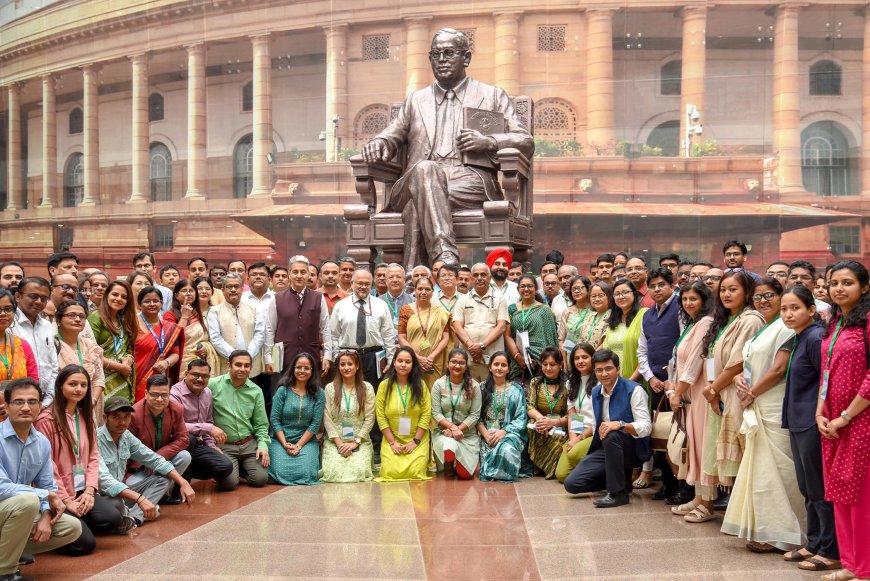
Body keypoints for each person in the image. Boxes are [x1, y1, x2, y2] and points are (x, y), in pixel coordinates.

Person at [362, 28, 533, 267]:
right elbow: (392, 134)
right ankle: (445, 256)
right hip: (417, 177)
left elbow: (525, 140)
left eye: (449, 53)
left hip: (468, 182)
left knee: (415, 206)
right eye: (435, 54)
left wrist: (490, 142)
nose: (441, 60)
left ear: (466, 58)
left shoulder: (492, 95)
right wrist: (379, 143)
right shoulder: (416, 100)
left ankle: (416, 280)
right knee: (426, 172)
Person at [722, 277, 804, 552]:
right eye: (758, 297)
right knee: (760, 468)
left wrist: (752, 392)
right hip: (756, 398)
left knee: (780, 468)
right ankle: (765, 528)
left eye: (769, 295)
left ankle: (787, 532)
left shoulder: (785, 327)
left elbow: (778, 369)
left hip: (774, 402)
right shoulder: (765, 327)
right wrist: (738, 382)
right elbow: (750, 365)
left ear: (781, 297)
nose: (763, 301)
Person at [35, 365, 130, 557]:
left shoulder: (85, 415)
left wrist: (89, 490)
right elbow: (47, 467)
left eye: (83, 385)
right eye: (73, 384)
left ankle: (79, 523)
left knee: (112, 518)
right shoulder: (46, 420)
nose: (79, 389)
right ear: (60, 386)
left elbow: (94, 456)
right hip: (57, 494)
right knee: (84, 546)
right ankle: (66, 527)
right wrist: (66, 500)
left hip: (81, 488)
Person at [779, 286, 840, 572]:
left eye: (795, 308)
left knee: (818, 487)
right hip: (797, 420)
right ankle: (814, 541)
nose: (788, 314)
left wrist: (820, 414)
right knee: (807, 486)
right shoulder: (800, 337)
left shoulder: (815, 337)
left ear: (811, 310)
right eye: (784, 309)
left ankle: (830, 548)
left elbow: (826, 382)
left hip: (811, 422)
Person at [815, 261, 870, 581]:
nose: (838, 288)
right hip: (831, 421)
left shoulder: (866, 322)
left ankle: (864, 566)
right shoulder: (834, 322)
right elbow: (826, 371)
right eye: (833, 283)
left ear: (864, 287)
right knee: (838, 490)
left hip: (859, 420)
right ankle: (850, 563)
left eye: (847, 283)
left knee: (860, 494)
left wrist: (846, 416)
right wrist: (821, 411)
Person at [0, 377, 82, 579]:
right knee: (27, 502)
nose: (26, 407)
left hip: (14, 513)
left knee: (72, 528)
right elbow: (1, 487)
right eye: (19, 402)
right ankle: (5, 572)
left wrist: (46, 514)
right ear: (7, 407)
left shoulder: (42, 443)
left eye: (32, 402)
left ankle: (7, 553)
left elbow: (48, 485)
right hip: (8, 508)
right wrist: (44, 495)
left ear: (39, 407)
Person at [701, 271, 765, 518]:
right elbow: (711, 356)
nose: (726, 294)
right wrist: (711, 387)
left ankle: (743, 514)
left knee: (740, 453)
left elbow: (739, 362)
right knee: (723, 452)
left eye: (733, 289)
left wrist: (714, 388)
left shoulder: (750, 319)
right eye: (723, 289)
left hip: (734, 392)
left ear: (747, 292)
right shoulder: (725, 320)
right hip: (717, 391)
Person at [563, 350, 652, 508]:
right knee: (571, 484)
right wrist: (577, 437)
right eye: (599, 370)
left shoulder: (634, 390)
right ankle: (621, 481)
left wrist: (621, 424)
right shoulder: (589, 389)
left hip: (632, 447)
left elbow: (646, 427)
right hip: (604, 445)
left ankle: (618, 493)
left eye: (608, 368)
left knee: (612, 435)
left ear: (618, 369)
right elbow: (585, 418)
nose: (604, 374)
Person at [96, 395, 195, 527]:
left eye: (126, 417)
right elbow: (105, 481)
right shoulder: (95, 439)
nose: (122, 422)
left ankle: (134, 518)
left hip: (123, 492)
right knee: (116, 506)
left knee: (164, 478)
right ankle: (139, 512)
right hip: (102, 496)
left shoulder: (126, 436)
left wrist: (183, 482)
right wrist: (140, 499)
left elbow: (154, 460)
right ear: (105, 418)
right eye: (116, 417)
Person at [329, 270, 396, 461]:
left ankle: (374, 447)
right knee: (347, 400)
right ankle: (347, 442)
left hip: (372, 358)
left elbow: (389, 335)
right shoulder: (341, 306)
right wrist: (336, 358)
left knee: (371, 402)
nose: (363, 287)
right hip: (347, 357)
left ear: (372, 284)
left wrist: (390, 360)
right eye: (359, 283)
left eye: (367, 283)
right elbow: (333, 335)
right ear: (352, 283)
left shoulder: (381, 305)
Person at [666, 282, 716, 515]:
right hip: (687, 393)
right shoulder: (692, 324)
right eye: (684, 299)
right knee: (693, 446)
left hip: (698, 393)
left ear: (704, 301)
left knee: (701, 445)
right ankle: (698, 497)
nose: (688, 303)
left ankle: (707, 504)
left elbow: (695, 362)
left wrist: (677, 392)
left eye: (693, 299)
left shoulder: (706, 322)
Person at [634, 268, 681, 493]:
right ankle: (667, 484)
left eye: (661, 284)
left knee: (679, 433)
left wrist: (671, 378)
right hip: (655, 382)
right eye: (652, 286)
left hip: (679, 383)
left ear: (672, 285)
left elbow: (684, 346)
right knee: (659, 431)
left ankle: (682, 485)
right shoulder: (647, 315)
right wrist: (651, 377)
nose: (656, 289)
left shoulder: (681, 307)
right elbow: (642, 351)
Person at [263, 257, 332, 392]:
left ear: (308, 274)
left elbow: (326, 329)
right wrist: (268, 358)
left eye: (303, 272)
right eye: (295, 272)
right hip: (283, 358)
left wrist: (328, 356)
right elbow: (270, 330)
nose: (299, 276)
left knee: (313, 397)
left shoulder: (319, 298)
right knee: (281, 396)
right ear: (289, 274)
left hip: (311, 357)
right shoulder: (276, 298)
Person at [209, 350, 270, 490]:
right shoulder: (213, 385)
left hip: (248, 444)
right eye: (238, 365)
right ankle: (233, 470)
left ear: (250, 368)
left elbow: (261, 424)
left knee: (260, 480)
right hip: (225, 445)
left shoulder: (256, 391)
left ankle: (239, 468)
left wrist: (262, 446)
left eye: (246, 365)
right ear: (229, 366)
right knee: (228, 484)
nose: (242, 369)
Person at [207, 273, 269, 410]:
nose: (233, 290)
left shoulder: (254, 309)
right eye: (229, 287)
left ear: (242, 289)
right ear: (223, 290)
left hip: (252, 368)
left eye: (236, 286)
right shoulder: (214, 312)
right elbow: (216, 339)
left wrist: (247, 358)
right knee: (227, 405)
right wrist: (236, 358)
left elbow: (260, 334)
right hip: (227, 368)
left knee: (251, 404)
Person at [128, 375, 193, 504]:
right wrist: (149, 461)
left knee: (185, 456)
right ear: (146, 394)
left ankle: (156, 495)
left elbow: (184, 439)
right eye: (154, 395)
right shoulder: (134, 414)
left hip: (162, 462)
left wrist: (157, 458)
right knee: (129, 488)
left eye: (164, 395)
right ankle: (157, 495)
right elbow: (128, 448)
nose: (159, 399)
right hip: (140, 467)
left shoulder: (176, 409)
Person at [169, 360, 234, 487]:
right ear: (186, 374)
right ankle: (181, 486)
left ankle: (184, 470)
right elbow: (176, 426)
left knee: (225, 466)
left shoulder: (207, 393)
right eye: (195, 375)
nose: (200, 379)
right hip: (176, 445)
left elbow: (208, 420)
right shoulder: (175, 394)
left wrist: (211, 446)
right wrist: (208, 428)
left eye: (204, 376)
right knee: (190, 439)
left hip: (199, 446)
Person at [265, 352, 325, 486]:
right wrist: (285, 443)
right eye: (298, 367)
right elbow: (274, 420)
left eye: (306, 368)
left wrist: (298, 445)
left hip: (306, 441)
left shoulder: (319, 393)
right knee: (279, 472)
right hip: (280, 440)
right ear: (293, 369)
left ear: (312, 371)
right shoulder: (283, 390)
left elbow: (315, 424)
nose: (302, 371)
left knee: (307, 473)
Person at [375, 346, 432, 481]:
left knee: (415, 471)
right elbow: (381, 416)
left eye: (408, 362)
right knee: (389, 471)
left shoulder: (421, 385)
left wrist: (415, 441)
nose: (403, 365)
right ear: (394, 362)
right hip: (392, 438)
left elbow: (426, 414)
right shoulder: (384, 386)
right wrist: (392, 442)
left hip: (417, 438)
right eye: (400, 361)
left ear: (413, 364)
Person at [320, 350, 376, 483]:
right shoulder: (329, 388)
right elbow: (327, 418)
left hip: (360, 441)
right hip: (335, 441)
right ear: (338, 367)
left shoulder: (366, 388)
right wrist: (340, 444)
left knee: (359, 472)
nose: (346, 368)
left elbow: (370, 418)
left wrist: (355, 443)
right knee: (332, 472)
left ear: (357, 366)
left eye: (350, 364)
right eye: (342, 364)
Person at [477, 352, 529, 482]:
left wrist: (503, 431)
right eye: (496, 364)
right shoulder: (481, 388)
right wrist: (486, 435)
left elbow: (521, 417)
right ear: (490, 367)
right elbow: (476, 416)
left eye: (503, 365)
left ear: (509, 369)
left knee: (507, 450)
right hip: (487, 435)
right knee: (488, 454)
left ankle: (503, 473)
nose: (499, 368)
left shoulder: (516, 389)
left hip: (510, 433)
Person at [453, 263, 509, 381]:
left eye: (483, 275)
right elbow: (457, 326)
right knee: (469, 392)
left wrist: (481, 346)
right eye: (476, 275)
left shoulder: (500, 299)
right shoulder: (462, 300)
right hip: (468, 357)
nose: (479, 278)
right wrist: (471, 347)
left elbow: (501, 327)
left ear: (489, 278)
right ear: (471, 279)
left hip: (493, 358)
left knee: (491, 392)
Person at [430, 348, 481, 479]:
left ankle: (459, 463)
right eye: (454, 362)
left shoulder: (474, 386)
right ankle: (448, 463)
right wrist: (451, 428)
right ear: (447, 364)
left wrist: (457, 429)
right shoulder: (439, 384)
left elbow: (475, 415)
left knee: (465, 476)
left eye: (461, 363)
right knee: (449, 448)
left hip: (467, 434)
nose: (457, 366)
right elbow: (435, 412)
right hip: (444, 432)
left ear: (466, 365)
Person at [55, 301, 105, 420]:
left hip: (89, 407)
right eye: (71, 315)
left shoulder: (90, 346)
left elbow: (99, 378)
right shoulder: (52, 346)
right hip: (61, 406)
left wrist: (91, 402)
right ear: (58, 320)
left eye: (81, 316)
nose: (77, 319)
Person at [88, 280, 137, 403]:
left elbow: (128, 349)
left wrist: (128, 360)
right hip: (100, 379)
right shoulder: (96, 317)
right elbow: (89, 352)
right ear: (107, 296)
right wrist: (120, 367)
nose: (119, 299)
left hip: (122, 379)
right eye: (115, 294)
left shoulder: (124, 320)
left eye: (124, 297)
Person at [524, 347, 569, 478]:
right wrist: (540, 419)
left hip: (560, 424)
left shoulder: (568, 385)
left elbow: (572, 414)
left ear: (560, 365)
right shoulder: (535, 383)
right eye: (545, 364)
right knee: (534, 425)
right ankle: (539, 464)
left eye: (552, 364)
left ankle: (551, 466)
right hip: (540, 422)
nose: (548, 368)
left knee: (558, 439)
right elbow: (529, 406)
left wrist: (553, 422)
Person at [398, 276, 452, 387]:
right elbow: (402, 337)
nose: (423, 292)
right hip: (412, 359)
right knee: (414, 392)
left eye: (427, 289)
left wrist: (431, 358)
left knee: (434, 393)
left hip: (434, 361)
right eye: (420, 289)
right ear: (415, 290)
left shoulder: (441, 312)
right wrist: (417, 357)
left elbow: (446, 337)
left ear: (433, 292)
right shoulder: (406, 310)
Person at [554, 343, 596, 483]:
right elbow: (572, 413)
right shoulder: (571, 382)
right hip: (578, 433)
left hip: (594, 433)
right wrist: (573, 438)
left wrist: (579, 440)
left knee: (574, 455)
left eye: (585, 357)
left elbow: (600, 419)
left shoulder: (600, 383)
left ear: (593, 358)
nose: (580, 361)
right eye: (577, 358)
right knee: (561, 475)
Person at [504, 274, 558, 380]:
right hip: (518, 359)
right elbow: (508, 336)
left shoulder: (544, 310)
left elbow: (551, 338)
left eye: (530, 286)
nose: (526, 289)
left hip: (541, 360)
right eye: (523, 286)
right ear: (518, 289)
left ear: (536, 288)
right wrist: (518, 356)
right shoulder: (512, 309)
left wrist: (547, 359)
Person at [13, 277, 57, 405]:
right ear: (17, 296)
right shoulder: (9, 326)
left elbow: (53, 365)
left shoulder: (47, 326)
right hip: (17, 400)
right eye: (33, 296)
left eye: (44, 299)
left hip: (44, 400)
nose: (38, 302)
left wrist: (47, 401)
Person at [134, 286, 183, 401]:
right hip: (135, 376)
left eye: (156, 301)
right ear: (140, 305)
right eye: (147, 301)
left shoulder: (169, 327)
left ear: (161, 303)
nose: (152, 304)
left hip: (160, 376)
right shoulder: (131, 324)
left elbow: (176, 354)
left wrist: (166, 363)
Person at [163, 279, 218, 373]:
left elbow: (207, 338)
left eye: (191, 291)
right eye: (184, 291)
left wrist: (206, 347)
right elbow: (172, 339)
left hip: (199, 362)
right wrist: (184, 317)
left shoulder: (199, 314)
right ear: (176, 295)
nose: (188, 294)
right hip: (178, 362)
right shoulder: (169, 315)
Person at [601, 279, 648, 387]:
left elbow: (646, 353)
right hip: (613, 382)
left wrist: (629, 382)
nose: (621, 297)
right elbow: (606, 349)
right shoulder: (613, 320)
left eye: (625, 292)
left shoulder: (644, 315)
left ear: (634, 294)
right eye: (617, 294)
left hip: (636, 381)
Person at [0, 289, 39, 383]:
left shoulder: (22, 344)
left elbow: (33, 380)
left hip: (19, 397)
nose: (3, 313)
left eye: (8, 309)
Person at [558, 275, 592, 360]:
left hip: (591, 356)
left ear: (588, 289)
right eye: (574, 289)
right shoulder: (567, 312)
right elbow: (562, 340)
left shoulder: (595, 310)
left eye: (580, 288)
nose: (576, 291)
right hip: (572, 357)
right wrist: (565, 364)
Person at [576, 281, 611, 347]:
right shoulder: (589, 316)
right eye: (593, 296)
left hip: (601, 356)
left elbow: (606, 342)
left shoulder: (612, 315)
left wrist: (593, 357)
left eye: (601, 295)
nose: (597, 299)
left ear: (609, 297)